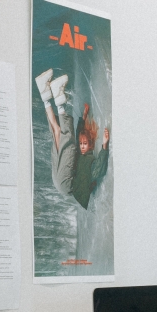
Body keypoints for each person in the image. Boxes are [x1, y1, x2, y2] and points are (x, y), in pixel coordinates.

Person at [35, 69, 110, 210]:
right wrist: (84, 116)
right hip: (59, 179)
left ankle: (58, 100)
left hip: (65, 183)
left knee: (67, 140)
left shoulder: (88, 160)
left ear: (91, 145)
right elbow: (79, 133)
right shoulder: (82, 156)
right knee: (57, 132)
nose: (82, 146)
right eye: (82, 144)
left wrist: (105, 146)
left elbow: (98, 170)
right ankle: (44, 93)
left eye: (84, 144)